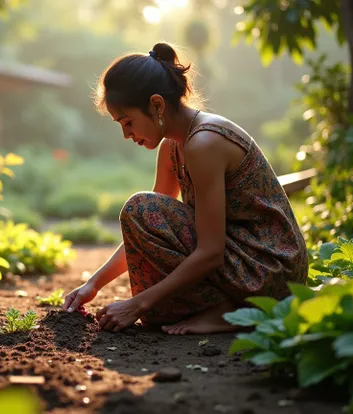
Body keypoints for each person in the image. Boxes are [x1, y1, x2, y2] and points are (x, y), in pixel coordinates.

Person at [62, 42, 308, 335]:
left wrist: (136, 304)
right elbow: (146, 228)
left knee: (139, 209)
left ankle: (231, 311)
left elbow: (211, 252)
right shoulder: (173, 145)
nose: (126, 134)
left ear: (156, 105)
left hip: (270, 269)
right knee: (155, 306)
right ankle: (224, 306)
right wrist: (94, 283)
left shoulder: (205, 143)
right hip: (240, 259)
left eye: (127, 122)